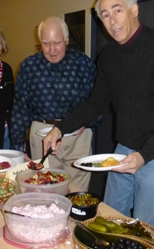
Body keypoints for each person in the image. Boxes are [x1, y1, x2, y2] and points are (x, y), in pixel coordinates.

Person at [44, 0, 154, 236]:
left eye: (117, 10)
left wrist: (144, 155)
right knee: (109, 215)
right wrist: (59, 129)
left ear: (134, 10)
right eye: (105, 15)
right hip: (125, 148)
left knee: (144, 229)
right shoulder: (109, 55)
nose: (111, 20)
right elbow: (95, 102)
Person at [10, 16, 97, 191]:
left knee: (78, 192)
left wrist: (87, 122)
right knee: (47, 189)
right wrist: (18, 148)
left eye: (57, 42)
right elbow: (20, 108)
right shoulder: (29, 66)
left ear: (66, 40)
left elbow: (97, 100)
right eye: (45, 43)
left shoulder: (83, 63)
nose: (51, 50)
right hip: (41, 136)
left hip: (77, 136)